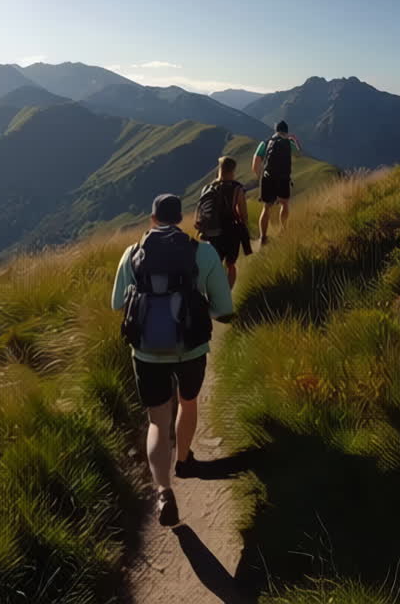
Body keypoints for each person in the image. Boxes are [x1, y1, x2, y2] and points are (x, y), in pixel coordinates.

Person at [112, 193, 234, 526]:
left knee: (156, 421)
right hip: (190, 348)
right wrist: (200, 308)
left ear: (152, 219)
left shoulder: (132, 253)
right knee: (188, 403)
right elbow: (225, 308)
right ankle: (183, 460)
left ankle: (164, 491)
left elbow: (115, 303)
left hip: (147, 352)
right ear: (180, 219)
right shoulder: (203, 252)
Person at [195, 156, 249, 288]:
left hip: (212, 233)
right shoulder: (237, 189)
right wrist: (244, 230)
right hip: (230, 232)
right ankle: (228, 294)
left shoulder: (208, 188)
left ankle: (213, 294)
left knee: (214, 265)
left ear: (220, 169)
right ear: (233, 170)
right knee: (230, 265)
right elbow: (244, 214)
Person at [252, 120, 302, 246]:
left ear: (276, 130)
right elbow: (298, 156)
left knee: (266, 207)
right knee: (284, 204)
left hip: (268, 178)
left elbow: (255, 163)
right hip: (283, 178)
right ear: (286, 131)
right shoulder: (289, 143)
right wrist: (295, 141)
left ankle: (263, 237)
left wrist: (260, 177)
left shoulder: (266, 142)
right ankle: (283, 230)